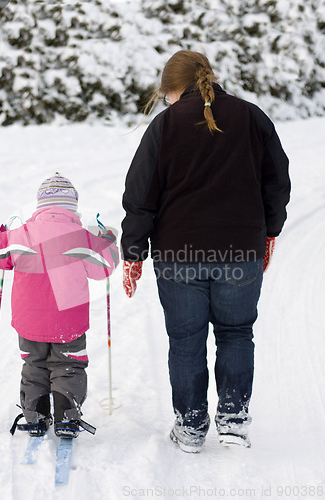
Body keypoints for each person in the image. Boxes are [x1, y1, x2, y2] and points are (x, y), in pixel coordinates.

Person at [121, 50, 290, 452]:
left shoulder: (166, 125)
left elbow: (140, 194)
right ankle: (232, 421)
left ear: (172, 89)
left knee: (185, 339)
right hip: (239, 251)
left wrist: (133, 251)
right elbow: (277, 181)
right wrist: (270, 231)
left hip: (179, 255)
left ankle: (191, 427)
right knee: (236, 332)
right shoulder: (252, 117)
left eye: (166, 96)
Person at [0, 173, 119, 438]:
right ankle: (67, 417)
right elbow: (105, 267)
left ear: (40, 206)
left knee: (34, 365)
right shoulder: (82, 237)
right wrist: (109, 240)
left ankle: (35, 416)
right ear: (73, 206)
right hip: (68, 321)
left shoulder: (20, 235)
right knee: (68, 365)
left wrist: (2, 234)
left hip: (29, 321)